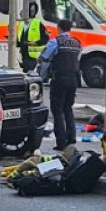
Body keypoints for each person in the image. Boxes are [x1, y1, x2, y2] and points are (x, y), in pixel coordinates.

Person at [38, 18, 82, 150]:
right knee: (68, 108)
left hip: (60, 78)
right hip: (73, 79)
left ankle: (61, 142)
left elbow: (45, 57)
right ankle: (71, 138)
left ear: (59, 28)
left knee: (57, 110)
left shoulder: (55, 42)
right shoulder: (77, 43)